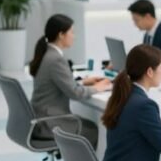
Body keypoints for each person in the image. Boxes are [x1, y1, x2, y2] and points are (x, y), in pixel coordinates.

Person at [29, 14, 110, 148]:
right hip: (50, 123)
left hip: (41, 119)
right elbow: (75, 93)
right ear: (61, 34)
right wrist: (99, 88)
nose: (74, 36)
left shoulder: (48, 53)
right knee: (91, 130)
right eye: (72, 32)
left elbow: (57, 83)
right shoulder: (56, 59)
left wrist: (84, 82)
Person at [128, 0, 161, 78]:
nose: (135, 24)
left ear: (148, 17)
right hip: (153, 78)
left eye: (136, 20)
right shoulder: (147, 35)